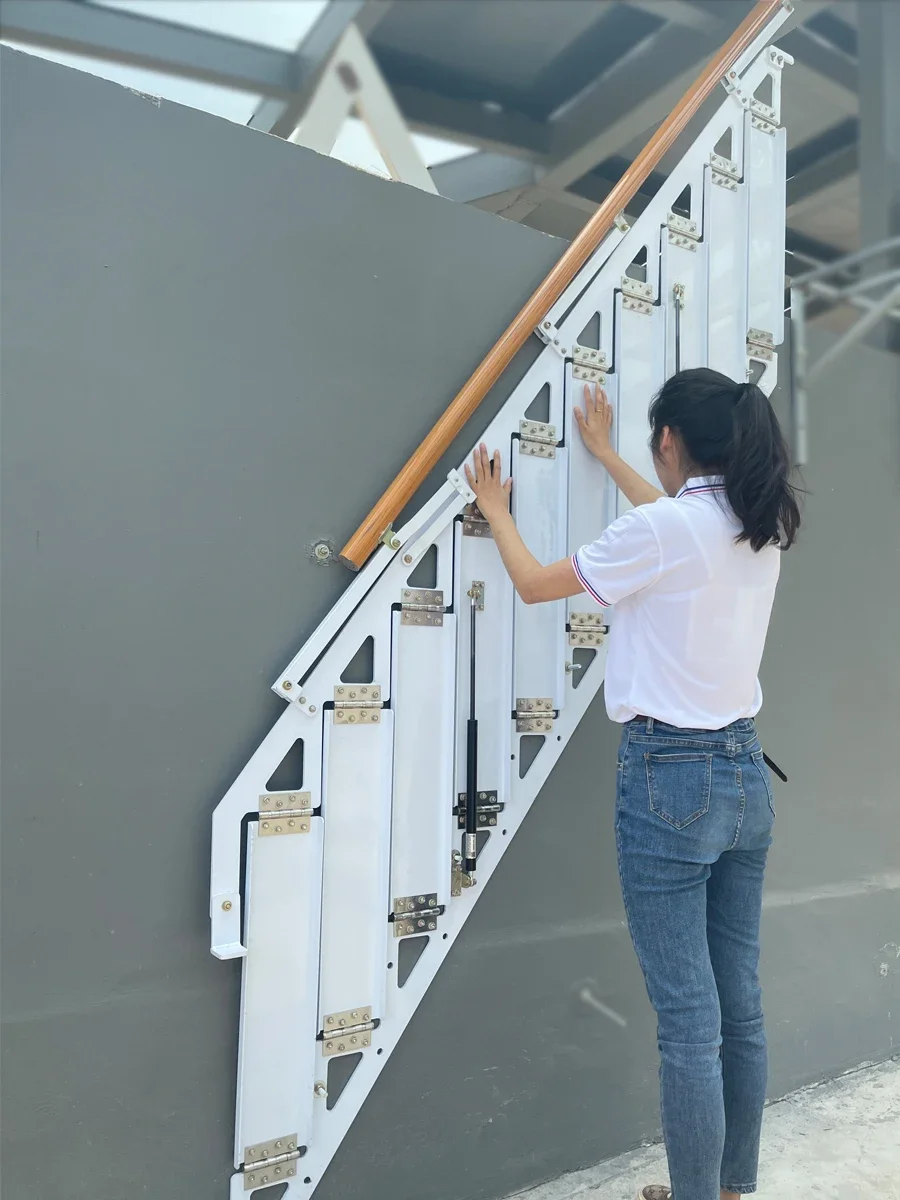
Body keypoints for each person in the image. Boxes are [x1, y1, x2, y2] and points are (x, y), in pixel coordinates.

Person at [464, 367, 801, 1200]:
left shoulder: (668, 530)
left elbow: (538, 584)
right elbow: (665, 519)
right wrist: (610, 454)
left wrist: (498, 512)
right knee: (739, 1007)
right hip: (744, 778)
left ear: (671, 442)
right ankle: (730, 1188)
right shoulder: (755, 523)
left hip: (670, 779)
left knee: (690, 1022)